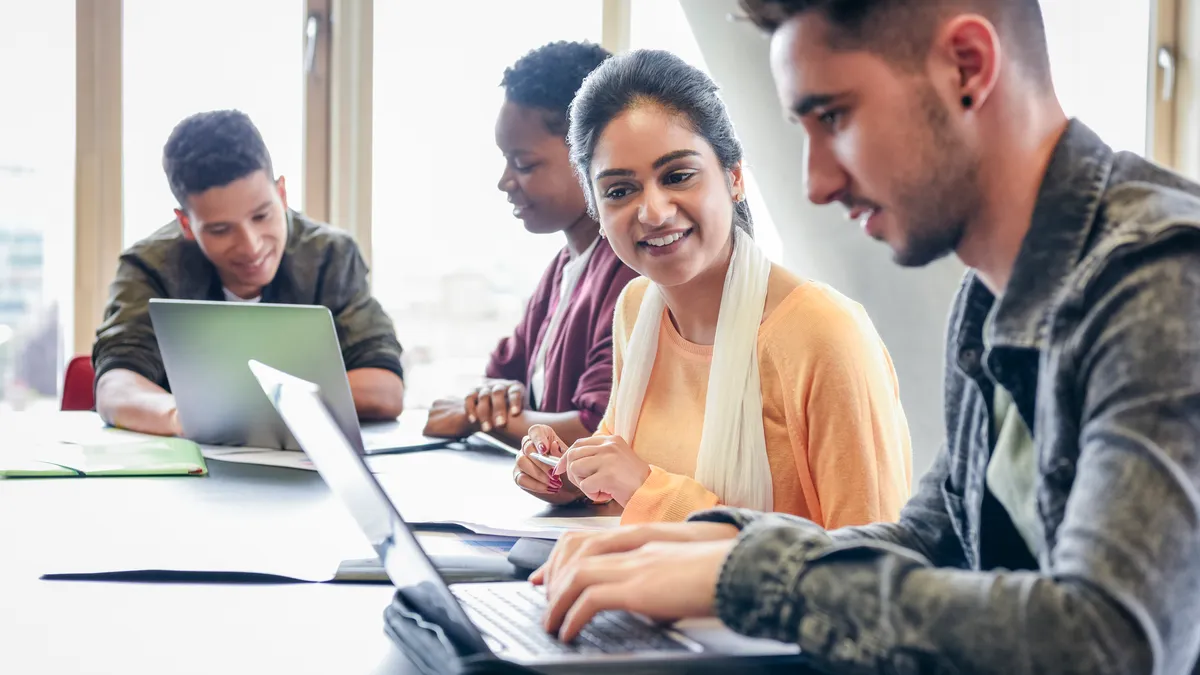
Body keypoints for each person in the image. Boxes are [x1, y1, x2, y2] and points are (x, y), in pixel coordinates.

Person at [531, 1, 1200, 672]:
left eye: (835, 118)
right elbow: (934, 541)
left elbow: (1111, 640)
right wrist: (701, 548)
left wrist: (754, 577)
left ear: (968, 67)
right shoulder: (989, 292)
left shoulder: (1162, 282)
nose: (816, 183)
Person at [516, 49, 912, 524]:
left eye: (678, 176)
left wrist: (649, 489)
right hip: (642, 591)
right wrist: (566, 476)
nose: (655, 212)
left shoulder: (823, 334)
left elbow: (869, 569)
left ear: (735, 178)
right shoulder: (637, 309)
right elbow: (620, 487)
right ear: (597, 211)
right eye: (620, 191)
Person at [93, 110, 405, 437]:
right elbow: (116, 385)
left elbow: (384, 388)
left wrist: (238, 407)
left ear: (281, 194)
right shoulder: (150, 266)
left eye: (261, 216)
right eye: (220, 229)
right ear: (186, 224)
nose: (251, 246)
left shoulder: (330, 256)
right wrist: (183, 418)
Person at [423, 41, 639, 456]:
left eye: (523, 163)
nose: (505, 181)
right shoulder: (563, 268)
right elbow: (500, 378)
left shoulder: (630, 271)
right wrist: (494, 402)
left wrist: (478, 418)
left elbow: (595, 429)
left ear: (590, 155)